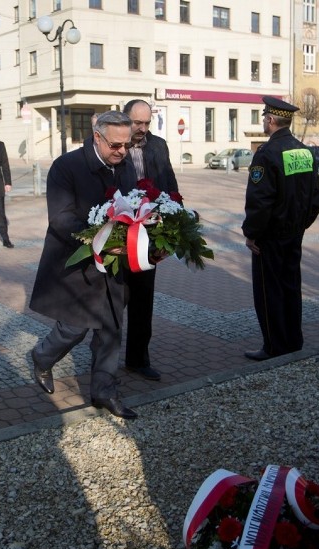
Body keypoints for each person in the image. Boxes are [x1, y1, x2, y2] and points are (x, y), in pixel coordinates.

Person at [28, 110, 139, 419]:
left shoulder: (125, 166)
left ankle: (105, 390)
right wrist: (99, 239)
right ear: (97, 137)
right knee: (75, 327)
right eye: (115, 145)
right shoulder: (67, 167)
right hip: (77, 261)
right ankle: (41, 355)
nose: (122, 151)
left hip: (115, 262)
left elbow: (134, 206)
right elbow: (61, 218)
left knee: (111, 328)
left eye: (126, 145)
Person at [241, 96, 319, 361]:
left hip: (270, 237)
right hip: (293, 234)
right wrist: (300, 226)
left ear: (270, 120)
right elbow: (315, 198)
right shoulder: (304, 151)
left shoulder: (267, 153)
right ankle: (293, 341)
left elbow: (259, 201)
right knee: (290, 288)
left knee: (269, 292)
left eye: (265, 117)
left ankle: (274, 346)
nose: (264, 120)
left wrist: (252, 233)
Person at [121, 99, 180, 380]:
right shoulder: (112, 144)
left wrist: (174, 225)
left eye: (146, 123)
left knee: (143, 300)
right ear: (125, 119)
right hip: (116, 233)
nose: (142, 129)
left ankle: (138, 358)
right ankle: (104, 363)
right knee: (112, 301)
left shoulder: (158, 145)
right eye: (137, 123)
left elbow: (169, 184)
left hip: (149, 232)